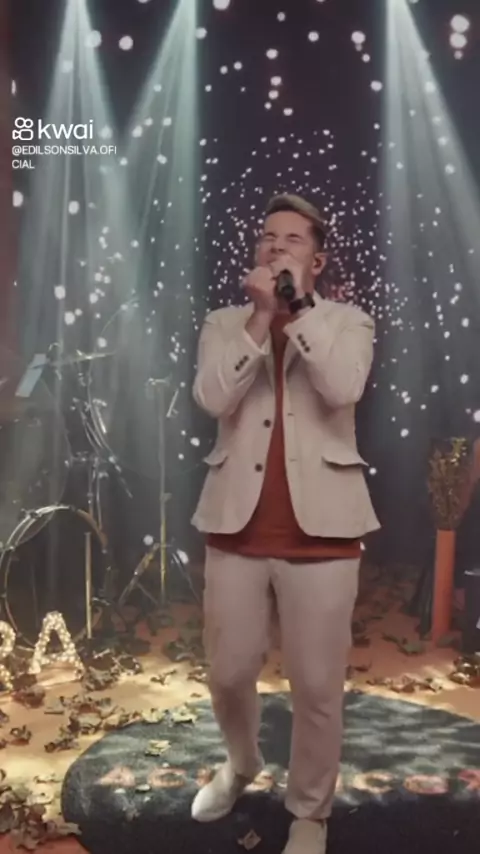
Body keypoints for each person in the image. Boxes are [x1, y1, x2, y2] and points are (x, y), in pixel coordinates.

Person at [190, 193, 379, 854]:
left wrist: (294, 312)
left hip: (324, 530)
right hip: (235, 526)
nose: (275, 245)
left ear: (316, 261)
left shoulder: (349, 322)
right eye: (267, 236)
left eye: (292, 239)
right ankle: (242, 762)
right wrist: (259, 319)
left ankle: (309, 812)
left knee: (318, 686)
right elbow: (211, 397)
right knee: (228, 671)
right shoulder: (224, 323)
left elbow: (343, 387)